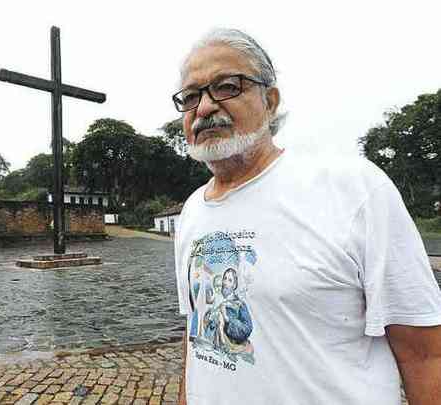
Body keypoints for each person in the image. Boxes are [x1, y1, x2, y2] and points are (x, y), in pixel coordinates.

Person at [172, 28, 441, 405]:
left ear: (270, 100)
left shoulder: (354, 190)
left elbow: (426, 354)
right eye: (190, 96)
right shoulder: (192, 212)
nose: (203, 108)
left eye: (227, 86)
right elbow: (196, 339)